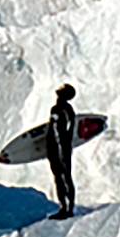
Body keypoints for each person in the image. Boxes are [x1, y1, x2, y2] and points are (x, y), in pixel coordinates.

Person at [45, 83, 78, 219]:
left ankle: (65, 209)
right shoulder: (69, 110)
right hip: (65, 147)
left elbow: (57, 131)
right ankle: (68, 208)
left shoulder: (57, 109)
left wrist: (58, 149)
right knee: (66, 177)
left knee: (60, 177)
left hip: (58, 148)